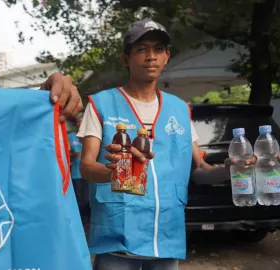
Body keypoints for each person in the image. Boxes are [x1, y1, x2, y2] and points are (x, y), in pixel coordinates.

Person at [77, 18, 265, 270]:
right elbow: (86, 167)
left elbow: (200, 171)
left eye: (158, 50)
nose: (150, 57)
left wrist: (232, 169)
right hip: (118, 241)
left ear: (167, 56)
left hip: (166, 240)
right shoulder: (101, 105)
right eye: (141, 49)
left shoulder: (179, 109)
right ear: (125, 58)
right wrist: (114, 173)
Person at [68, 113, 89, 224]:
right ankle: (81, 224)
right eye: (78, 122)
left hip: (89, 173)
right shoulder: (71, 136)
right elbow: (65, 153)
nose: (80, 124)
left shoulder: (89, 136)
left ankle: (87, 223)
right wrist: (73, 154)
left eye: (82, 122)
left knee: (88, 199)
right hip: (76, 173)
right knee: (80, 200)